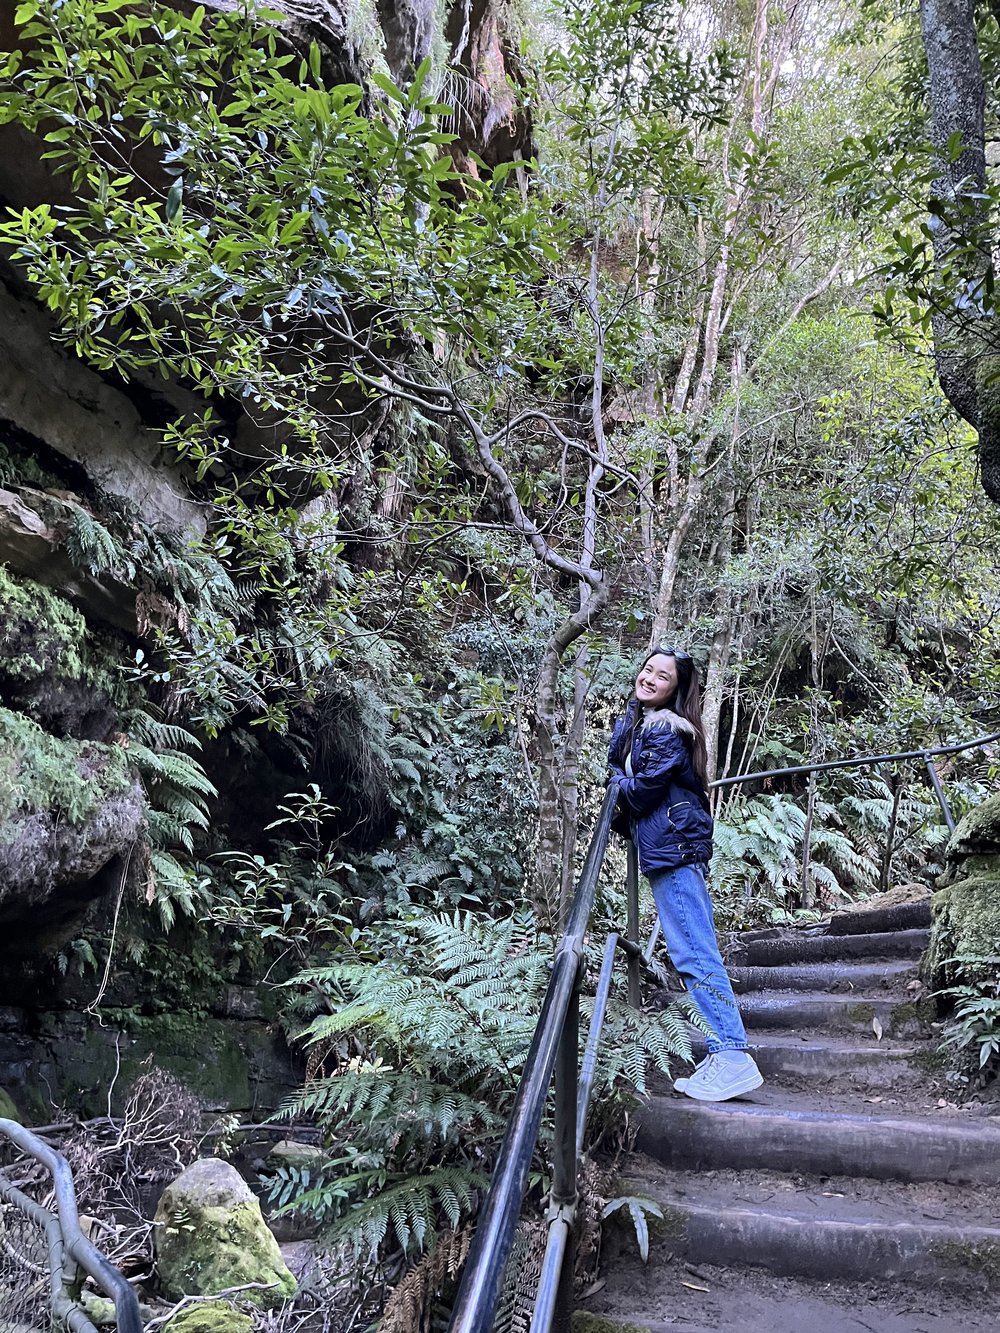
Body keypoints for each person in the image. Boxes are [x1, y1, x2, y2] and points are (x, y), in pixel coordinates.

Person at [608, 647, 763, 1103]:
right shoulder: (642, 723)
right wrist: (619, 777)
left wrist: (619, 784)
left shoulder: (667, 731)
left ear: (677, 688)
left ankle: (733, 1055)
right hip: (667, 847)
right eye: (648, 669)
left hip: (674, 847)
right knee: (689, 950)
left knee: (694, 952)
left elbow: (638, 793)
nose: (651, 678)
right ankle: (726, 1053)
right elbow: (617, 768)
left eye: (663, 676)